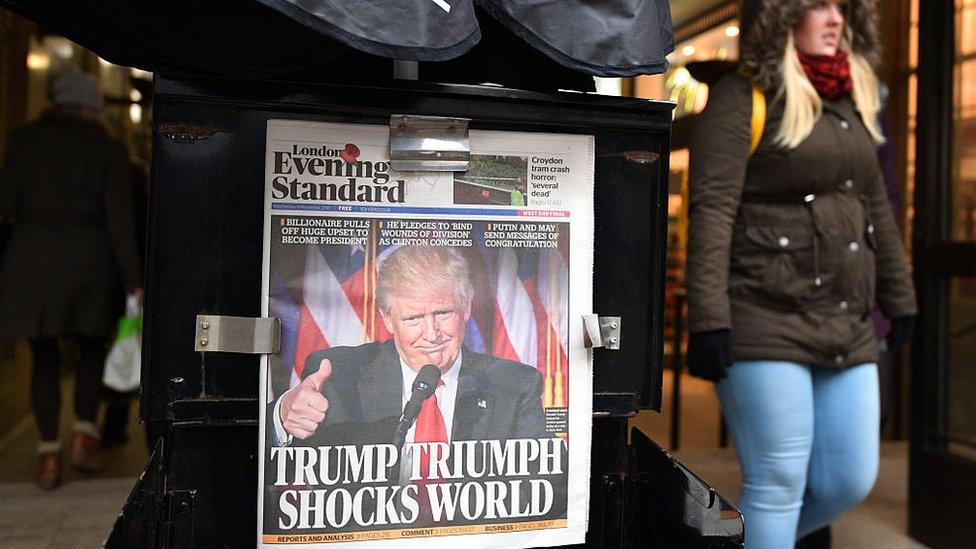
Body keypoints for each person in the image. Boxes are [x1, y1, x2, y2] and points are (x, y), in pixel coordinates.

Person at [685, 1, 917, 548]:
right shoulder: (742, 98)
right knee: (778, 481)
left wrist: (899, 297)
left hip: (846, 322)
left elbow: (875, 206)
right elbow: (712, 211)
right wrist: (709, 320)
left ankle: (730, 543)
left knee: (848, 481)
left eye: (842, 8)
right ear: (782, 18)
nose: (834, 19)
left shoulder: (849, 98)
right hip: (762, 316)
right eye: (817, 6)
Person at [0, 67, 143, 490]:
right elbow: (120, 219)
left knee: (43, 358)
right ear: (91, 106)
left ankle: (48, 456)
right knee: (91, 352)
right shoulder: (107, 149)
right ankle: (83, 433)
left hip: (31, 259)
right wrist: (133, 277)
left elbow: (6, 200)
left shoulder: (22, 141)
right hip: (91, 261)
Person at [270, 245, 546, 453]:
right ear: (388, 319)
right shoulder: (337, 376)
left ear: (466, 308)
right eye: (413, 318)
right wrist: (283, 416)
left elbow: (549, 483)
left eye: (443, 313)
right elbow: (271, 463)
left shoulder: (515, 384)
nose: (431, 333)